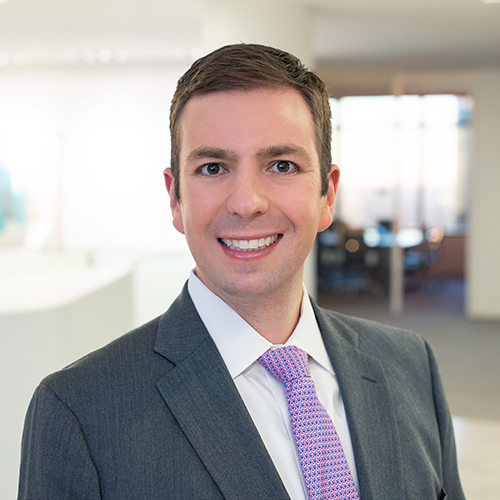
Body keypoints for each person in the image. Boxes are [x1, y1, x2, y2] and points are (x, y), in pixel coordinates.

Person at [18, 44, 465, 500]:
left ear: (327, 195)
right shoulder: (79, 411)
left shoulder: (411, 366)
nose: (247, 202)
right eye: (213, 168)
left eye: (281, 165)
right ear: (176, 199)